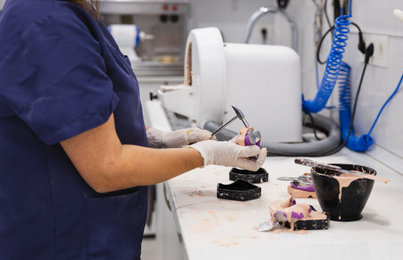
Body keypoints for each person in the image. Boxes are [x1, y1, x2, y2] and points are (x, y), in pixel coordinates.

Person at [0, 0, 267, 259]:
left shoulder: (66, 12)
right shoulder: (49, 22)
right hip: (66, 240)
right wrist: (206, 154)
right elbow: (108, 167)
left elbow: (82, 121)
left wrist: (158, 139)